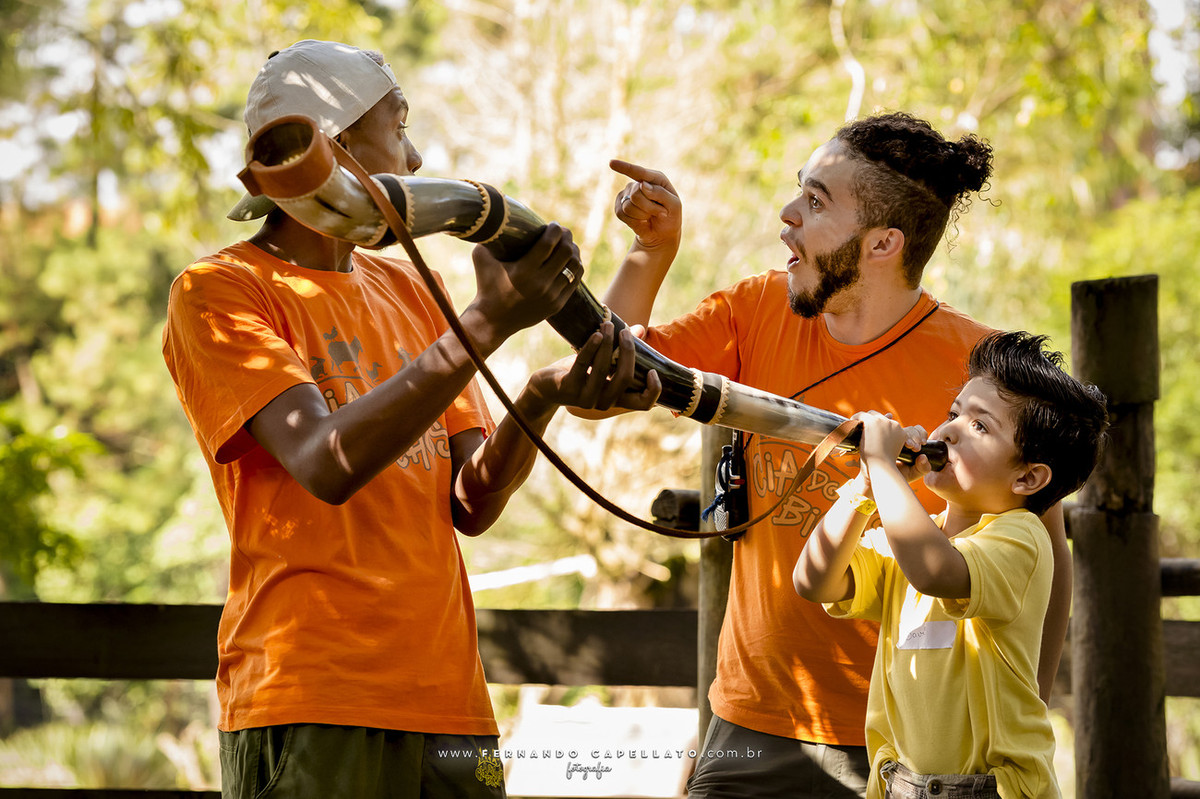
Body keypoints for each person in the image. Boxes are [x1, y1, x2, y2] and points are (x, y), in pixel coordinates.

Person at [162, 40, 659, 798]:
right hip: (312, 698)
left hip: (453, 702)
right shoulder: (220, 291)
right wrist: (486, 323)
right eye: (399, 125)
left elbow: (471, 503)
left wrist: (541, 394)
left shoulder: (409, 287)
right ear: (331, 148)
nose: (417, 156)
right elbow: (324, 463)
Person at [600, 112, 1073, 797]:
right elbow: (598, 393)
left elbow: (1049, 553)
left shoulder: (981, 377)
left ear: (883, 242)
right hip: (749, 725)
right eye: (799, 190)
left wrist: (1019, 710)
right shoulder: (755, 308)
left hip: (908, 749)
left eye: (816, 201)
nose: (787, 215)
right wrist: (650, 254)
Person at [793, 330, 1108, 798]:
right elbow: (813, 580)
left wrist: (882, 468)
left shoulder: (1021, 539)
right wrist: (863, 486)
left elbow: (937, 572)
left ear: (1028, 477)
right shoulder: (915, 538)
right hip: (899, 784)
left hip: (992, 788)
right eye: (953, 413)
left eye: (981, 426)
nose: (950, 430)